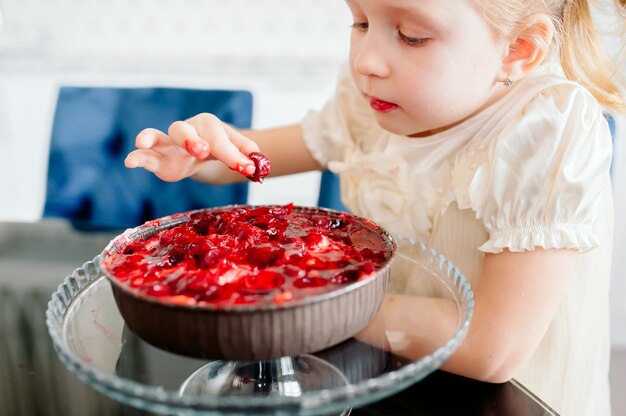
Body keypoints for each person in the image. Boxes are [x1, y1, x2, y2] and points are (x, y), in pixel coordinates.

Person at [124, 0, 626, 414]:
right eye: (360, 21)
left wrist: (307, 305)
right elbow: (255, 157)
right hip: (397, 376)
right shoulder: (374, 101)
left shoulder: (546, 128)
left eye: (411, 35)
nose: (366, 59)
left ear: (517, 49)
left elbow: (492, 351)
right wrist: (204, 156)